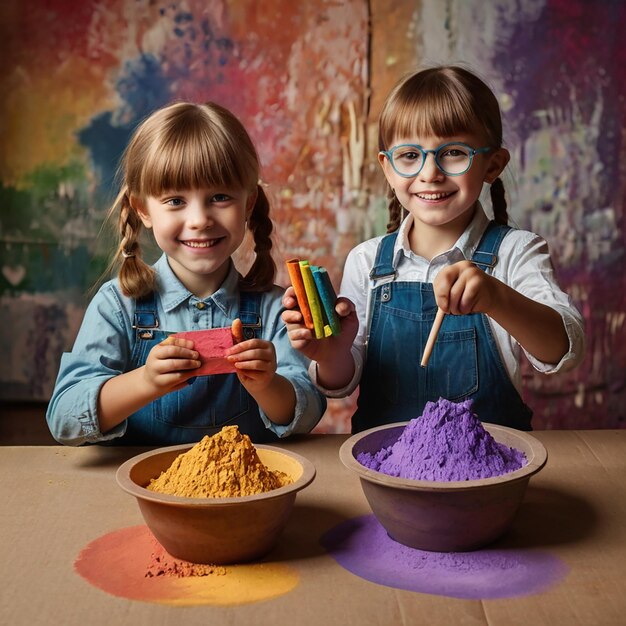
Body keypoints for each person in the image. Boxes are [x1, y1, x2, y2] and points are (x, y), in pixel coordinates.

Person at [282, 65, 585, 432]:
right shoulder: (366, 261)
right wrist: (330, 354)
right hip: (387, 469)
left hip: (490, 470)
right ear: (388, 168)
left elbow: (563, 350)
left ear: (493, 165)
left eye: (454, 152)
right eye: (410, 155)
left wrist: (496, 297)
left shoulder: (516, 251)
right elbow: (340, 383)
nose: (430, 173)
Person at [47, 101, 326, 445]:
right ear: (143, 210)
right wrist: (145, 381)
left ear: (248, 203)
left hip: (241, 496)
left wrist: (269, 386)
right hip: (140, 493)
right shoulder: (118, 305)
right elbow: (64, 420)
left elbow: (307, 415)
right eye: (176, 201)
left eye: (220, 197)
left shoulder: (272, 311)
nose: (199, 220)